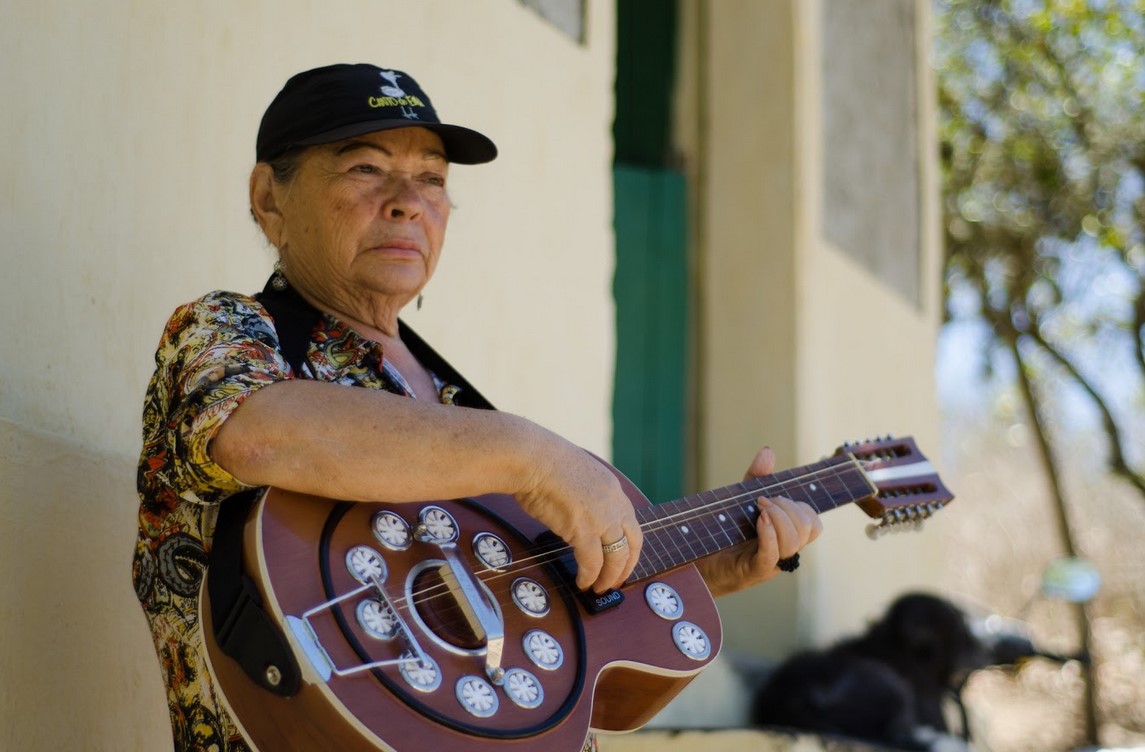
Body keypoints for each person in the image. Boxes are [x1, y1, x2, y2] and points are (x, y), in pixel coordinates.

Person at [131, 63, 823, 752]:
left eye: (432, 179)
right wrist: (531, 456)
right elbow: (252, 432)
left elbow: (511, 604)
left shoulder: (453, 404)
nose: (408, 201)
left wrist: (701, 572)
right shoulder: (230, 333)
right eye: (366, 169)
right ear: (269, 198)